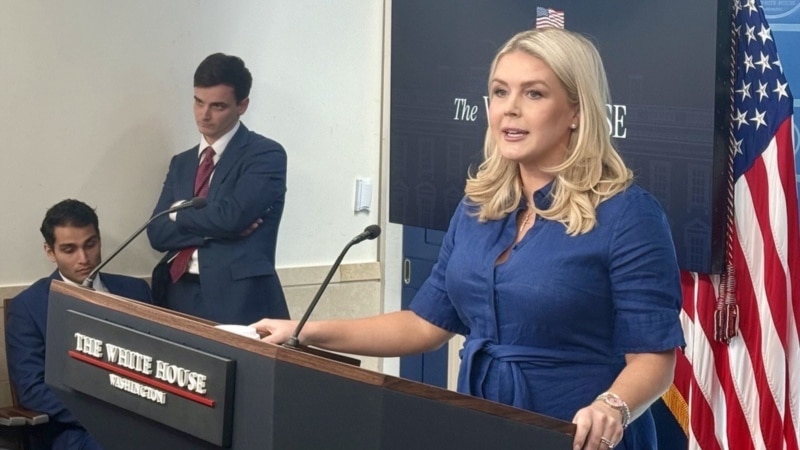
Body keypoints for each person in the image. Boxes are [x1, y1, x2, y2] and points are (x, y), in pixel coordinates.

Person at [252, 28, 684, 450]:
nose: (510, 109)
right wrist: (304, 332)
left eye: (534, 94)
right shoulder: (479, 207)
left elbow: (654, 358)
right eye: (500, 92)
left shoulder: (628, 214)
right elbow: (425, 324)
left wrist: (611, 406)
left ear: (576, 111)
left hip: (577, 436)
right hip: (480, 423)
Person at [146, 53, 290, 325]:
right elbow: (157, 231)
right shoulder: (182, 163)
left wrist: (177, 213)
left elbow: (232, 217)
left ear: (242, 105)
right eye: (199, 102)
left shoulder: (265, 154)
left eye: (218, 106)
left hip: (238, 299)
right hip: (177, 290)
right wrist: (217, 228)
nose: (204, 114)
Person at [6, 199, 152, 450]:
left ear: (99, 241)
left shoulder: (136, 291)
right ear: (50, 252)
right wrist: (105, 415)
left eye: (90, 245)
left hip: (147, 420)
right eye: (69, 249)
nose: (83, 258)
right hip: (75, 429)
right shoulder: (28, 307)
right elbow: (32, 388)